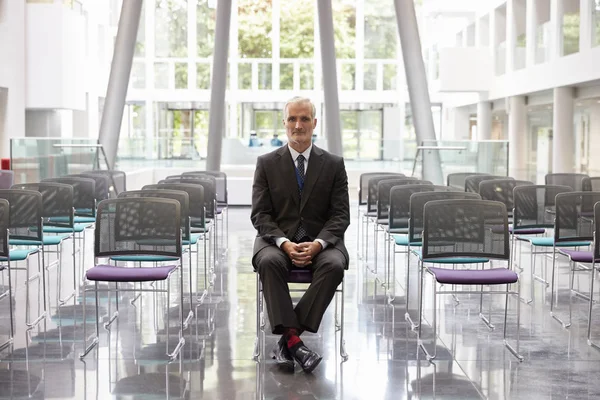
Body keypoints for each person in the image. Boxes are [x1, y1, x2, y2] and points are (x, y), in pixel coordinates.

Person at [251, 96, 350, 373]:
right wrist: (283, 242)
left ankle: (287, 341)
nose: (298, 125)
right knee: (269, 262)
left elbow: (341, 215)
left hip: (321, 241)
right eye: (292, 119)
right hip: (276, 240)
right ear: (284, 123)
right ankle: (295, 343)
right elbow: (260, 214)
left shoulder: (333, 164)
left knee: (334, 265)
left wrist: (319, 244)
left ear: (314, 123)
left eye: (304, 118)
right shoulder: (266, 163)